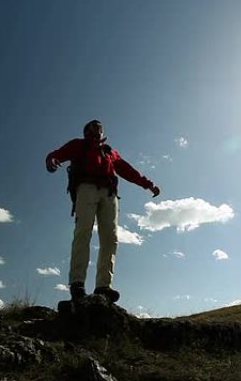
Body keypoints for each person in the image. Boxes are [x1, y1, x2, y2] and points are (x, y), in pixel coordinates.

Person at [46, 119, 160, 302]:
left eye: (100, 128)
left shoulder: (109, 151)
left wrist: (148, 184)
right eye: (94, 128)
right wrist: (52, 160)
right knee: (83, 232)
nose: (98, 130)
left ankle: (103, 286)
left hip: (109, 193)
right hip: (86, 189)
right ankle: (77, 284)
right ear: (87, 131)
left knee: (110, 238)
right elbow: (57, 154)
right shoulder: (78, 145)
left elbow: (127, 170)